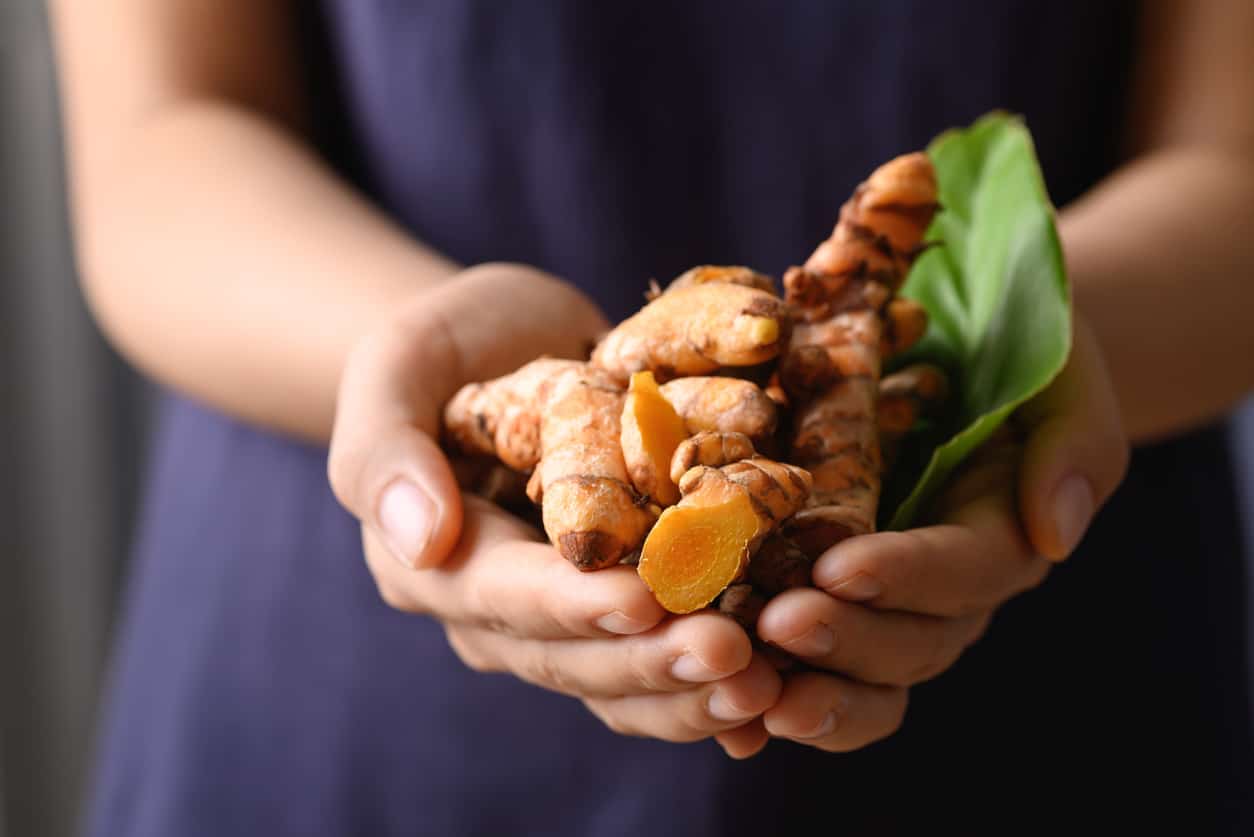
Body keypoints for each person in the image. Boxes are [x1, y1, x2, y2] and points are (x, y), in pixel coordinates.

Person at [50, 1, 1253, 834]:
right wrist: (432, 365)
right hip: (341, 687)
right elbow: (160, 143)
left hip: (1052, 708)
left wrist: (1018, 343)